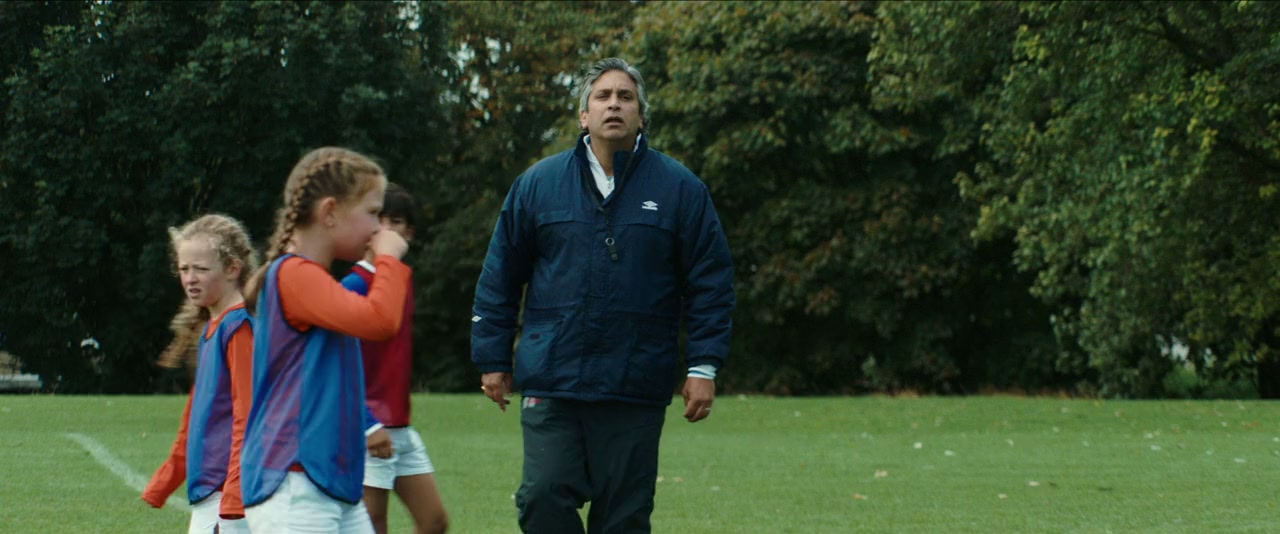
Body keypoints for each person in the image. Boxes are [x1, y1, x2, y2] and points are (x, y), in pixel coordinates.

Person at [471, 57, 736, 533]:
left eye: (625, 97)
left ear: (641, 115)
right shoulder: (538, 185)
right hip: (553, 378)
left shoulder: (680, 189)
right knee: (541, 497)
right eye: (603, 96)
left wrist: (703, 366)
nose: (614, 104)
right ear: (583, 115)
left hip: (635, 382)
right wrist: (493, 356)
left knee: (623, 520)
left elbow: (711, 283)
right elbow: (500, 276)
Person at [239, 147, 411, 533]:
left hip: (325, 483)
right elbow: (381, 320)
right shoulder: (294, 275)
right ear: (330, 212)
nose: (379, 228)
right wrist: (389, 259)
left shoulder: (312, 279)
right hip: (294, 484)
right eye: (372, 212)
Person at [341, 182, 450, 534]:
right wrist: (367, 424)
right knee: (373, 524)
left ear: (410, 234)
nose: (386, 229)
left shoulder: (401, 281)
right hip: (368, 427)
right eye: (379, 218)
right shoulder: (353, 286)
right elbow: (337, 367)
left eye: (397, 221)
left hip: (400, 427)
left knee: (434, 522)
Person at [142, 213, 258, 534]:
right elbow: (196, 416)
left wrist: (234, 496)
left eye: (201, 270)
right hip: (211, 491)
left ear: (233, 269)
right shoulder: (212, 328)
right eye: (184, 269)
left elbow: (248, 416)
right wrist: (168, 477)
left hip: (228, 494)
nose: (190, 279)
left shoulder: (238, 328)